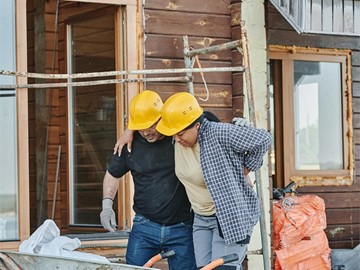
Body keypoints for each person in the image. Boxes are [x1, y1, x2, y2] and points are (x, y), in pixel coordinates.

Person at [156, 92, 272, 269]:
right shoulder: (177, 141)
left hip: (228, 217)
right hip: (201, 219)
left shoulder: (219, 133)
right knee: (205, 268)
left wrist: (245, 169)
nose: (176, 139)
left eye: (180, 134)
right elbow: (147, 124)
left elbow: (263, 139)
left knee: (222, 269)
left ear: (196, 125)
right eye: (174, 135)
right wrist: (129, 132)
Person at [100, 90, 197, 269]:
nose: (145, 131)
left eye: (150, 125)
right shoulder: (130, 144)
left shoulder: (177, 136)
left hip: (181, 227)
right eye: (140, 126)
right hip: (145, 226)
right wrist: (107, 205)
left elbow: (199, 115)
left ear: (161, 118)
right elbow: (113, 174)